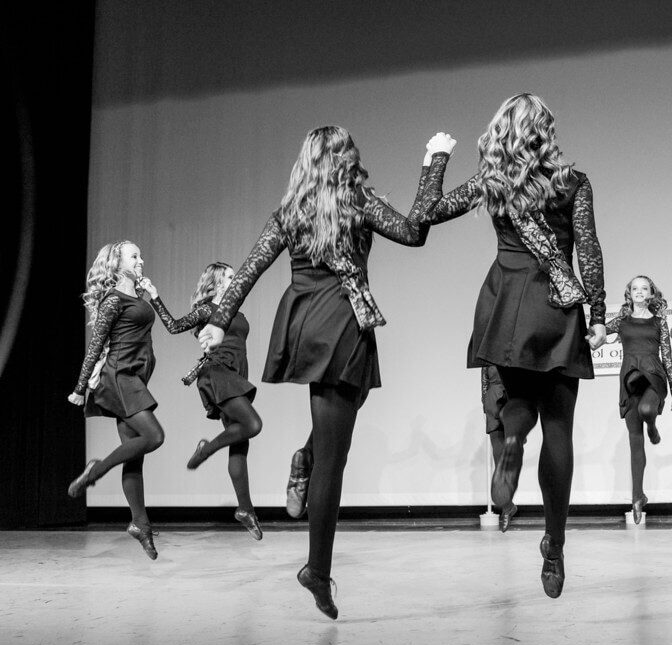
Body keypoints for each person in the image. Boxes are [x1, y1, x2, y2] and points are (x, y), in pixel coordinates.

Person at [198, 126, 454, 619]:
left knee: (338, 427)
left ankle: (306, 457)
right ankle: (316, 569)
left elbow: (248, 270)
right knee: (335, 457)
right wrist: (433, 162)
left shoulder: (291, 210)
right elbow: (414, 232)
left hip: (305, 325)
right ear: (347, 158)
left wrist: (216, 319)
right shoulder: (359, 199)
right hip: (341, 321)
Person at [421, 93, 607, 599]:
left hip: (505, 303)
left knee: (518, 402)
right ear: (546, 132)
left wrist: (436, 159)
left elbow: (426, 213)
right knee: (561, 428)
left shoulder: (492, 183)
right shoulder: (572, 182)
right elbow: (587, 250)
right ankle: (555, 547)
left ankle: (510, 442)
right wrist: (598, 314)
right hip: (555, 307)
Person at [144, 262, 264, 540]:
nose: (236, 280)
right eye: (231, 276)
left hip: (236, 374)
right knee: (253, 424)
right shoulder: (207, 309)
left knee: (239, 445)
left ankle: (245, 509)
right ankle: (206, 449)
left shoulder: (235, 309)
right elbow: (174, 326)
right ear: (218, 281)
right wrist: (155, 297)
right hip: (217, 373)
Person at [67, 241, 165, 560]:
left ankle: (141, 525)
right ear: (117, 263)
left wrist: (152, 296)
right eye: (134, 256)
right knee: (154, 436)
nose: (141, 260)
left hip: (135, 378)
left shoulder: (136, 295)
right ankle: (96, 471)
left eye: (140, 255)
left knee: (135, 458)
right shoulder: (113, 300)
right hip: (120, 377)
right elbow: (96, 345)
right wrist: (81, 386)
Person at [603, 275, 672, 524]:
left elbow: (668, 359)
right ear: (630, 293)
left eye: (643, 288)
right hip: (630, 380)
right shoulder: (621, 322)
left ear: (650, 293)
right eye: (634, 288)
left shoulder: (659, 322)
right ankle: (637, 497)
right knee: (634, 442)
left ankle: (653, 424)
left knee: (648, 409)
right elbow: (596, 334)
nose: (639, 292)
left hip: (654, 376)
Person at [481, 365, 518, 532]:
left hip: (511, 399)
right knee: (498, 458)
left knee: (511, 456)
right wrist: (485, 403)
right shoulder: (486, 354)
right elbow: (484, 382)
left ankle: (507, 506)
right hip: (493, 402)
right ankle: (507, 507)